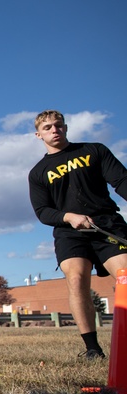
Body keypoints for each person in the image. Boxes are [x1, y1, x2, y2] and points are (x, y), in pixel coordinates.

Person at [28, 109, 127, 360]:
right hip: (69, 233)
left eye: (58, 125)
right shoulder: (38, 172)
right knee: (76, 278)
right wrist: (69, 217)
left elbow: (121, 181)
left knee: (125, 276)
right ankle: (93, 349)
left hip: (106, 225)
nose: (54, 130)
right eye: (48, 127)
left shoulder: (94, 151)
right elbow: (42, 211)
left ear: (66, 127)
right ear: (38, 135)